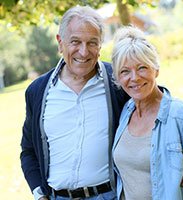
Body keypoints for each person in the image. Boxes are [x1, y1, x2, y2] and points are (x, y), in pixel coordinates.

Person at [20, 5, 129, 200]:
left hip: (108, 195)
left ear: (100, 45)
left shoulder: (118, 81)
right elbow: (28, 152)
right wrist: (40, 195)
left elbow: (153, 113)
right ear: (60, 43)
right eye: (75, 42)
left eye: (92, 43)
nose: (84, 52)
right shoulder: (37, 91)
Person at [111, 26, 183, 200]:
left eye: (142, 68)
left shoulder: (182, 115)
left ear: (156, 69)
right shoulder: (125, 112)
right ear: (117, 77)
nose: (134, 77)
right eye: (125, 71)